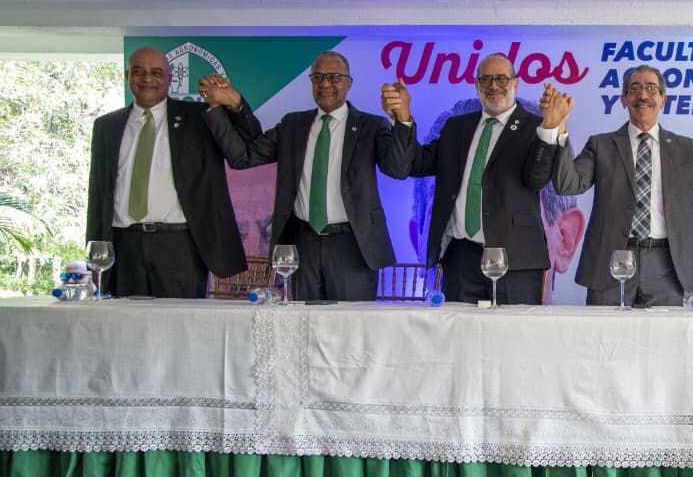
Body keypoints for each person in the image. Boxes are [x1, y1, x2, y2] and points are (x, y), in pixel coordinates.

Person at [198, 51, 416, 301]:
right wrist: (221, 107)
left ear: (349, 83)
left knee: (349, 323)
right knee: (304, 320)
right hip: (303, 244)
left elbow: (398, 169)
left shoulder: (372, 126)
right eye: (317, 77)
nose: (325, 84)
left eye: (334, 77)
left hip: (354, 246)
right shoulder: (293, 125)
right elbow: (243, 157)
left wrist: (402, 118)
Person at [538, 65, 693, 307]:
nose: (643, 95)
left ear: (663, 100)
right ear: (623, 99)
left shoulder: (687, 148)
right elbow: (568, 185)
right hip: (611, 261)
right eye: (635, 89)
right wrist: (559, 129)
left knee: (662, 331)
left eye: (651, 89)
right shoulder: (601, 145)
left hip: (667, 264)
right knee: (605, 330)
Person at [383, 54, 557, 304]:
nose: (493, 85)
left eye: (501, 78)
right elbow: (414, 165)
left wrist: (549, 128)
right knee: (458, 329)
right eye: (485, 79)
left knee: (514, 330)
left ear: (515, 83)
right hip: (461, 259)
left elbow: (536, 179)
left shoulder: (536, 127)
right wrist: (402, 119)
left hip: (517, 261)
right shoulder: (456, 127)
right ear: (476, 85)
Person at [86, 46, 246, 297]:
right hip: (123, 245)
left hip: (180, 246)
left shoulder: (199, 117)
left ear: (170, 78)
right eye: (138, 72)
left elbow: (243, 148)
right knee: (124, 320)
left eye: (156, 72)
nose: (147, 79)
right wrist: (94, 251)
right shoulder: (106, 126)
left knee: (180, 320)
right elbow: (98, 192)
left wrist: (235, 104)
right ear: (127, 76)